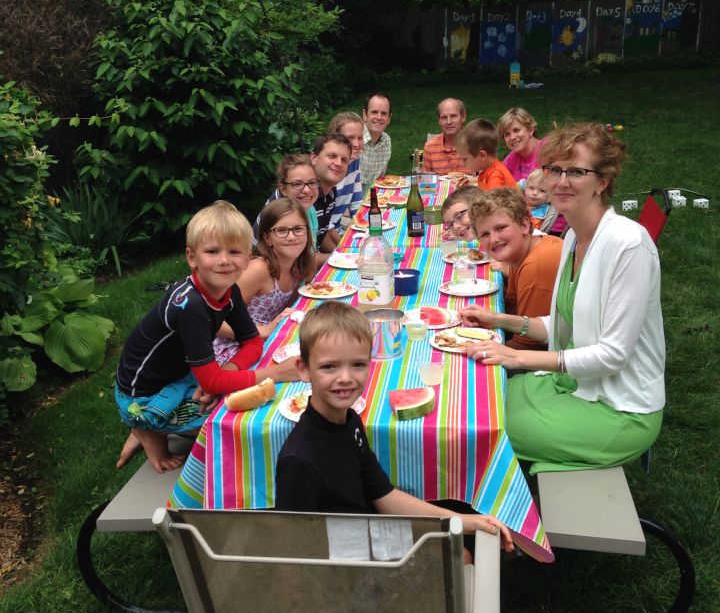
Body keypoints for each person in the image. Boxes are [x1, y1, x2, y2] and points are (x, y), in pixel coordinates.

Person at [465, 124, 665, 474]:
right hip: (573, 385)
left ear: (602, 181)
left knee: (487, 427)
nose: (560, 181)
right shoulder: (575, 237)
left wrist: (518, 356)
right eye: (554, 169)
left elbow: (613, 354)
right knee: (483, 398)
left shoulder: (628, 245)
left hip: (620, 408)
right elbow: (560, 324)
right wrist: (499, 320)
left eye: (575, 172)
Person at [275, 302, 514, 550]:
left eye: (358, 364)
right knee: (459, 554)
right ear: (304, 369)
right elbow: (294, 549)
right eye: (329, 366)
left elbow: (382, 493)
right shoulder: (299, 461)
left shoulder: (350, 420)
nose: (345, 378)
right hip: (346, 556)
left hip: (364, 531)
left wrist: (467, 522)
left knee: (463, 539)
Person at [114, 201, 299, 474]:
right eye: (212, 251)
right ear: (192, 257)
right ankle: (146, 427)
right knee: (227, 418)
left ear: (247, 258)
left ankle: (154, 424)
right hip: (142, 396)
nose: (224, 260)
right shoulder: (190, 306)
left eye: (234, 251)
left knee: (237, 394)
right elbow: (214, 380)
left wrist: (225, 373)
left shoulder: (229, 290)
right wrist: (277, 373)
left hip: (180, 375)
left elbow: (252, 341)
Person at [214, 199, 315, 367]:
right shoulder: (258, 270)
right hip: (234, 346)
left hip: (269, 338)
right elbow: (217, 322)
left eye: (298, 229)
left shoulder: (298, 266)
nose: (291, 237)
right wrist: (263, 331)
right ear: (267, 238)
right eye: (281, 231)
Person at [459, 188, 562, 350]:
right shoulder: (518, 255)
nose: (493, 239)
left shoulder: (537, 264)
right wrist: (493, 319)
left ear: (524, 225)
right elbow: (512, 308)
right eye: (485, 234)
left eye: (500, 228)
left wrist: (466, 348)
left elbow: (528, 344)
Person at [253, 154, 320, 245]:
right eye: (297, 184)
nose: (307, 190)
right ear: (283, 189)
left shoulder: (309, 209)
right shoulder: (279, 218)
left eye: (312, 182)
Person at [310, 133, 352, 252]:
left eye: (344, 160)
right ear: (314, 158)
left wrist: (345, 252)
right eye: (332, 156)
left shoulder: (330, 193)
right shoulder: (304, 193)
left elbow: (321, 237)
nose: (338, 163)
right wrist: (345, 256)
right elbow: (301, 259)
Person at [454, 119, 520, 191]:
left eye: (465, 159)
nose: (462, 163)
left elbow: (489, 198)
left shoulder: (495, 178)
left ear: (482, 155)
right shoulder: (488, 170)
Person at [327, 112, 365, 231]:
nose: (356, 144)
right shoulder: (327, 168)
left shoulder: (354, 161)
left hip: (338, 229)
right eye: (350, 138)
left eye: (360, 138)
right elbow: (324, 224)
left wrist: (365, 229)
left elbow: (356, 202)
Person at [498, 107, 543, 188]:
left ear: (530, 130)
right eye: (507, 134)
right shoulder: (514, 156)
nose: (512, 137)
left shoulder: (547, 152)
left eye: (516, 130)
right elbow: (498, 174)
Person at [422, 98, 468, 174]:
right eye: (444, 117)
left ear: (463, 117)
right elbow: (426, 180)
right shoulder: (430, 147)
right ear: (439, 121)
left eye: (453, 116)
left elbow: (486, 177)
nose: (448, 122)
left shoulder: (477, 143)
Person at [359, 93, 392, 192]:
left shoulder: (386, 141)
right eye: (374, 112)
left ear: (389, 118)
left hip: (375, 197)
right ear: (365, 115)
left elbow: (380, 181)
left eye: (383, 113)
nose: (379, 117)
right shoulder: (354, 140)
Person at [524, 168, 558, 233]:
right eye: (531, 188)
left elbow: (530, 230)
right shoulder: (522, 202)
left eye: (542, 191)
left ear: (549, 197)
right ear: (526, 189)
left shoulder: (540, 213)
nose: (535, 193)